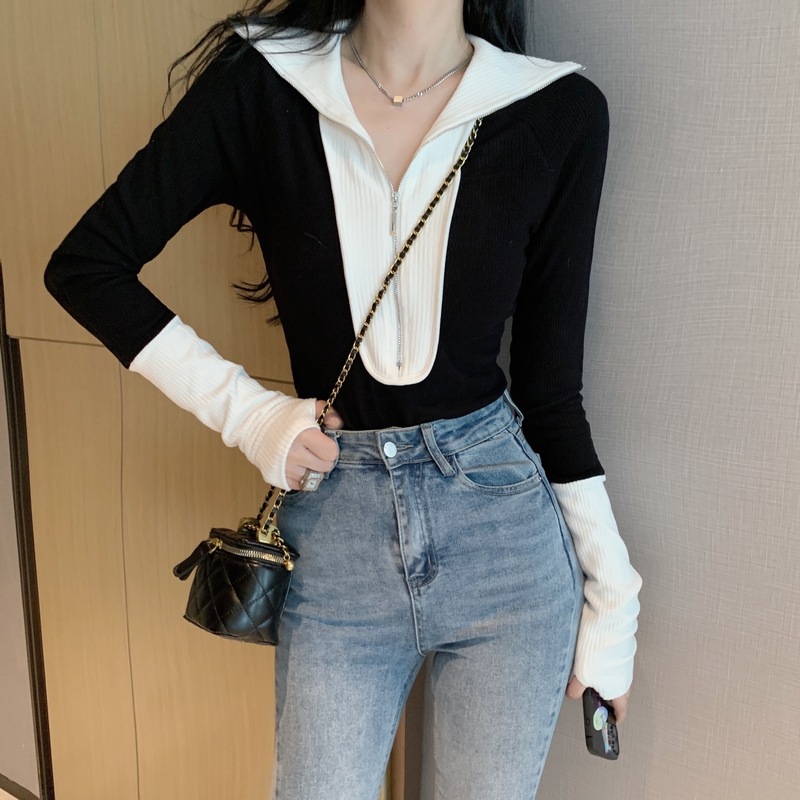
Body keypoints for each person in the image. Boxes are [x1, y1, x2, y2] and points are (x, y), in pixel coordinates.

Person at [44, 1, 642, 797]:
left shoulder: (557, 110)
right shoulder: (262, 86)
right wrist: (249, 414)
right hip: (336, 538)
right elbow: (87, 266)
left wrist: (612, 595)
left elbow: (551, 393)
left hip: (506, 542)